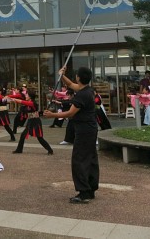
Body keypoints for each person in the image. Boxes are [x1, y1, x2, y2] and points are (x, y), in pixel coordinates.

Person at [44, 66, 99, 204]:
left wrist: (52, 115)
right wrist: (61, 74)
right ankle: (90, 189)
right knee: (90, 158)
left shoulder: (82, 95)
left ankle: (83, 192)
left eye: (76, 75)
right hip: (90, 129)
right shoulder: (88, 90)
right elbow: (69, 84)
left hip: (84, 130)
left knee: (79, 160)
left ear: (79, 77)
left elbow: (70, 113)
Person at [8, 90, 53, 155]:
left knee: (39, 137)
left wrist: (13, 99)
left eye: (27, 95)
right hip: (30, 121)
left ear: (30, 97)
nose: (26, 96)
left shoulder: (33, 103)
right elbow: (22, 102)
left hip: (36, 121)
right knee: (23, 135)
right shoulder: (28, 102)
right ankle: (19, 150)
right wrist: (12, 99)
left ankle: (50, 150)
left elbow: (21, 101)